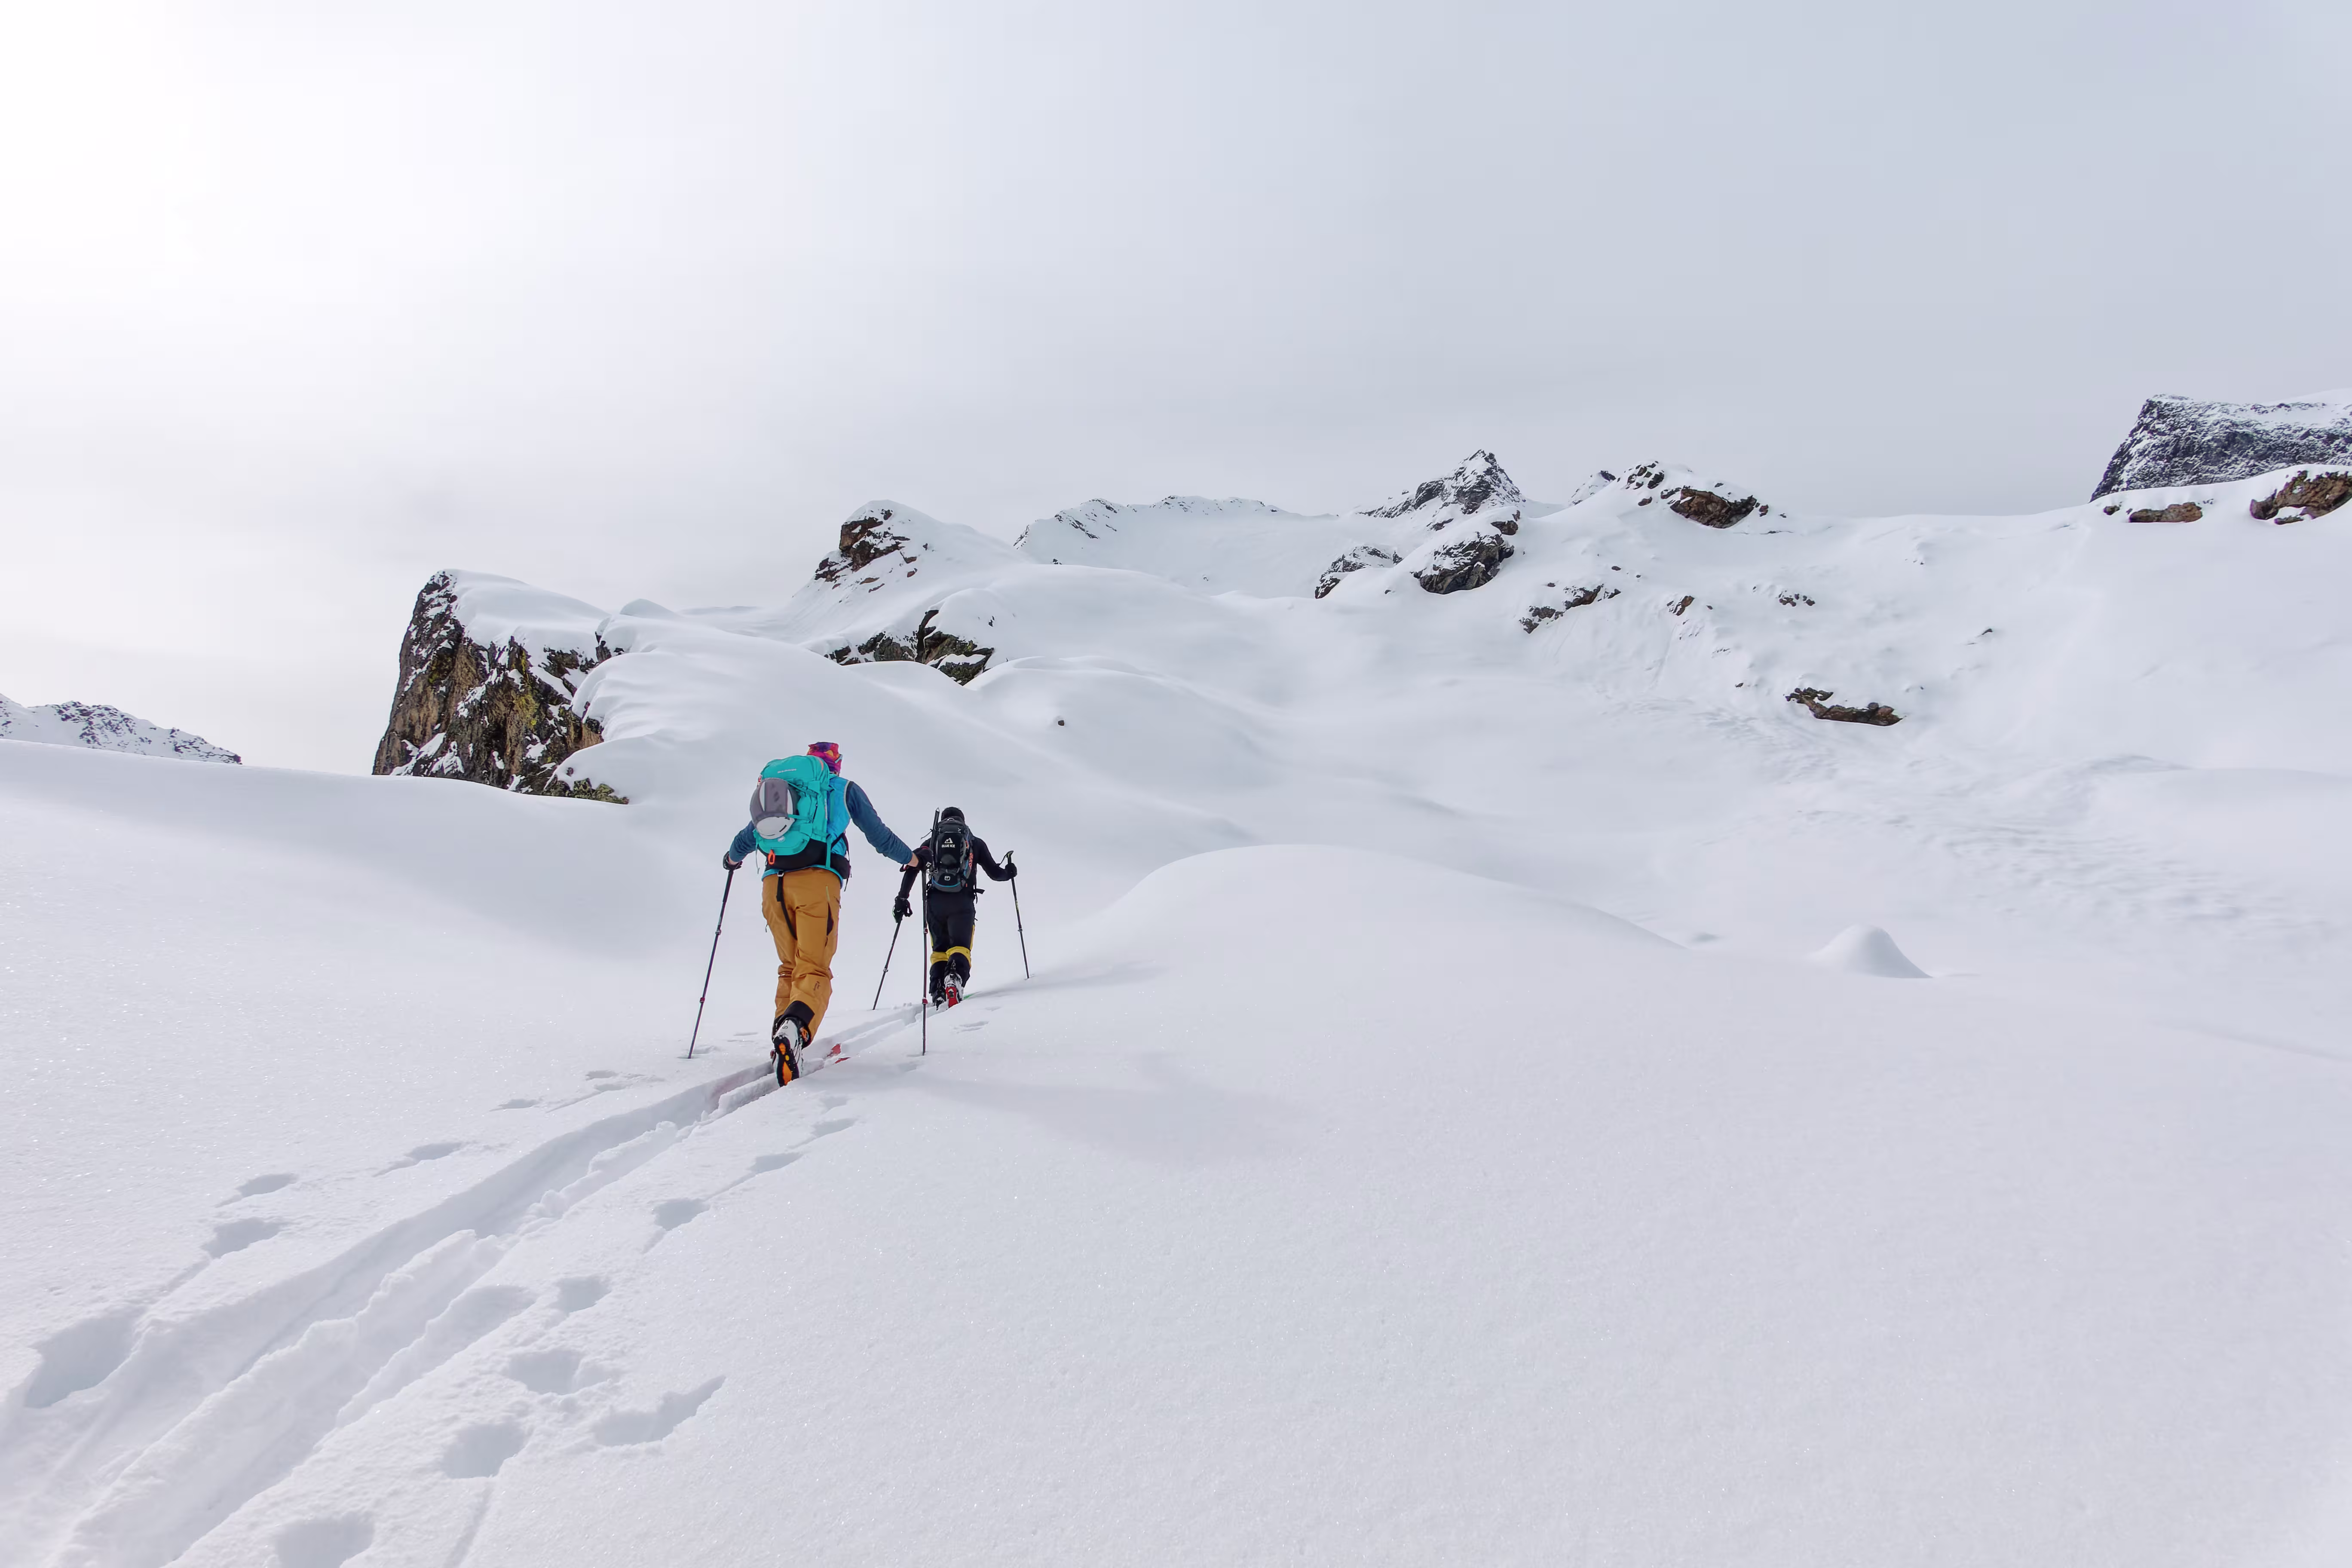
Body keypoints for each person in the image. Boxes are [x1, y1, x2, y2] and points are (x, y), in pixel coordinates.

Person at [723, 741, 915, 1081]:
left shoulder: (782, 792)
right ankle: (795, 1030)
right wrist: (912, 859)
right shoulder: (842, 789)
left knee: (790, 966)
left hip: (773, 885)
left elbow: (748, 836)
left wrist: (732, 859)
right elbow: (880, 837)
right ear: (835, 765)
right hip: (816, 882)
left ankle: (783, 1039)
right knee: (814, 968)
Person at [894, 806, 1017, 1007]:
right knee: (961, 946)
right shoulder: (974, 842)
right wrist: (1010, 872)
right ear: (963, 821)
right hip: (962, 902)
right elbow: (995, 874)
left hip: (934, 903)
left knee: (940, 950)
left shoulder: (931, 842)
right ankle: (955, 979)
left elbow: (913, 867)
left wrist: (902, 898)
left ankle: (938, 991)